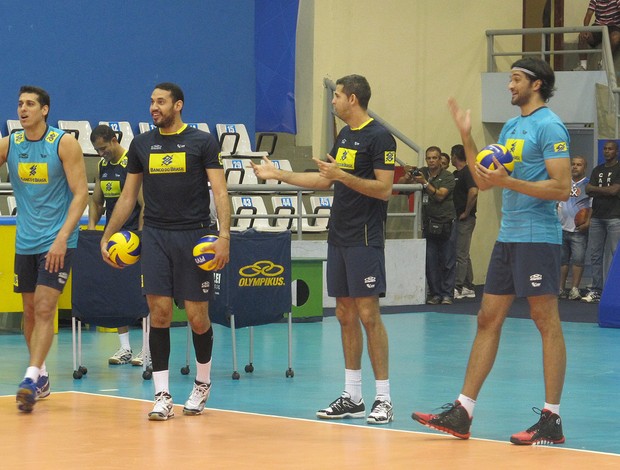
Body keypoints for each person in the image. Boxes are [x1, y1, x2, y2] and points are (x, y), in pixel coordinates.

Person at [412, 57, 571, 445]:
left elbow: (562, 188)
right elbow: (486, 181)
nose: (509, 86)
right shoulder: (513, 126)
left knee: (544, 319)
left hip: (538, 236)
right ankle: (463, 410)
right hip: (509, 235)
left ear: (536, 84)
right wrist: (466, 137)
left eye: (515, 79)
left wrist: (510, 183)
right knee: (487, 319)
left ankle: (552, 417)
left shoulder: (550, 125)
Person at [251, 74, 396, 425]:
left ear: (354, 99)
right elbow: (323, 180)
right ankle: (353, 395)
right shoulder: (345, 135)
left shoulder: (380, 136)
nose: (332, 101)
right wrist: (278, 176)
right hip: (340, 235)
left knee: (368, 315)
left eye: (337, 96)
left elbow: (384, 189)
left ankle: (384, 399)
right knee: (345, 314)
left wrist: (343, 176)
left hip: (364, 236)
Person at [100, 82, 231, 421]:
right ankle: (162, 395)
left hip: (195, 236)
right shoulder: (142, 144)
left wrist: (225, 236)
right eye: (151, 102)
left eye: (160, 102)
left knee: (197, 318)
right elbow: (128, 197)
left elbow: (219, 191)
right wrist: (107, 234)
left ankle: (202, 384)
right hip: (155, 236)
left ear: (179, 105)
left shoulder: (202, 141)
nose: (153, 107)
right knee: (157, 313)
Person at [0, 85, 88, 412]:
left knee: (45, 308)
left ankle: (29, 378)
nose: (23, 109)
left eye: (30, 104)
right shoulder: (11, 143)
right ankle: (43, 374)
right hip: (26, 240)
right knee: (29, 311)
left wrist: (63, 237)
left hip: (58, 240)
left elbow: (80, 194)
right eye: (20, 104)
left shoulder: (64, 143)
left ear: (45, 110)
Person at [88, 124, 146, 365]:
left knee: (143, 295)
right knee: (117, 292)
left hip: (134, 239)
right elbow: (96, 202)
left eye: (103, 148)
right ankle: (125, 348)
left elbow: (144, 205)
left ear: (114, 139)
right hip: (113, 242)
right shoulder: (103, 166)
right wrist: (93, 230)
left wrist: (142, 237)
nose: (101, 153)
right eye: (97, 150)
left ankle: (148, 349)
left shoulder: (131, 164)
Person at [399, 146, 456, 305]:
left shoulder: (448, 176)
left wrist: (424, 183)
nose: (431, 161)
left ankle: (447, 294)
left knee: (447, 261)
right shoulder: (421, 172)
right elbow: (401, 187)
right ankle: (435, 293)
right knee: (430, 261)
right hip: (428, 223)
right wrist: (408, 175)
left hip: (446, 223)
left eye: (434, 158)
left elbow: (440, 195)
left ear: (440, 160)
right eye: (429, 158)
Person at [582, 140, 620, 303]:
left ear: (616, 151)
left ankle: (615, 290)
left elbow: (614, 191)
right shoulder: (598, 169)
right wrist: (603, 190)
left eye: (610, 149)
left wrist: (597, 190)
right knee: (595, 255)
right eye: (605, 148)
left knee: (614, 254)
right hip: (597, 217)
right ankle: (597, 289)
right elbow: (587, 189)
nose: (606, 151)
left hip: (614, 217)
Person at [558, 156, 592, 301]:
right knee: (562, 260)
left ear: (584, 167)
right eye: (573, 164)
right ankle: (560, 288)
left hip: (578, 230)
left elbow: (592, 207)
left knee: (578, 260)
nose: (575, 167)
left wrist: (587, 223)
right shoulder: (563, 183)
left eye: (579, 165)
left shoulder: (588, 185)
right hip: (561, 227)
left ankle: (574, 289)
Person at [451, 144, 478, 299]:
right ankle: (469, 285)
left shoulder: (468, 172)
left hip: (465, 219)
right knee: (464, 253)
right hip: (458, 217)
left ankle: (458, 287)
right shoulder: (456, 173)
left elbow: (474, 192)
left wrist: (466, 212)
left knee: (460, 254)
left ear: (455, 156)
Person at [574, 0, 620, 71]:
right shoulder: (595, 0)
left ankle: (603, 63)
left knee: (615, 38)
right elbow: (588, 15)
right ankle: (583, 66)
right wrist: (585, 29)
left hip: (613, 26)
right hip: (599, 26)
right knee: (582, 35)